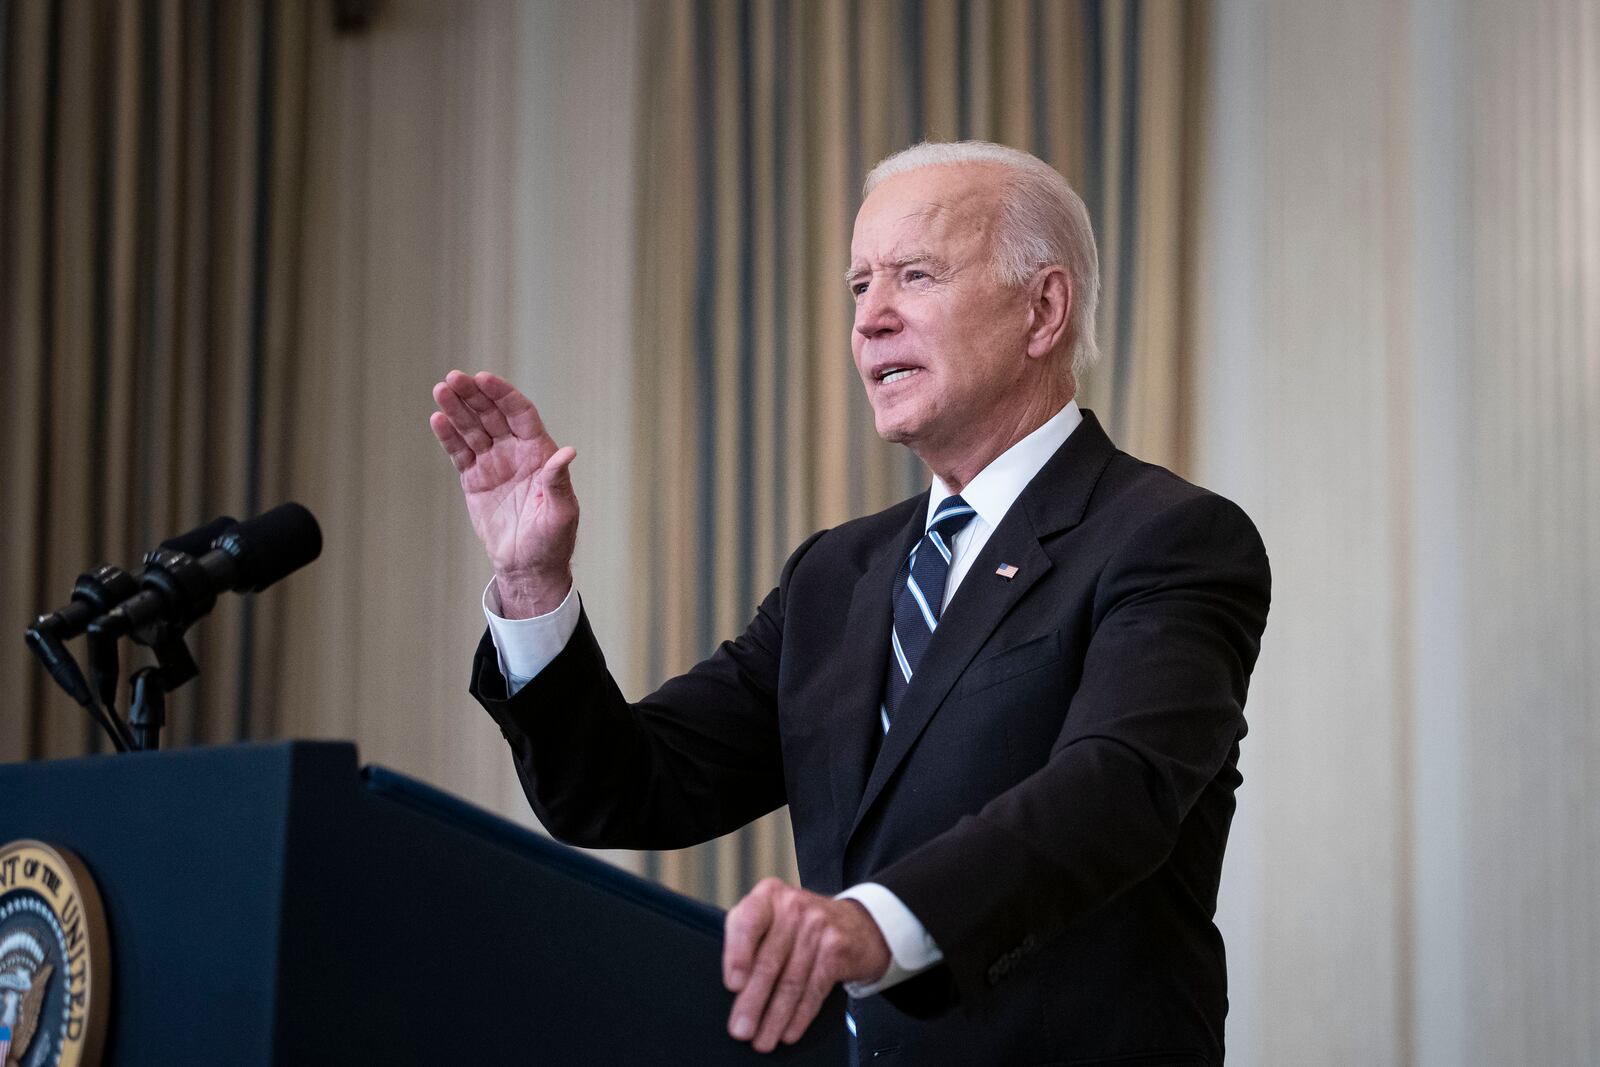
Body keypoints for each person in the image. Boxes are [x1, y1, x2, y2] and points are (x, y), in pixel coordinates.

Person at [429, 141, 1270, 1064]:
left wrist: (875, 924)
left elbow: (1116, 789)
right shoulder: (836, 575)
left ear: (1044, 309)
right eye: (859, 285)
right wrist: (530, 580)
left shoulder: (1168, 538)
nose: (871, 319)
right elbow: (626, 786)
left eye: (915, 274)